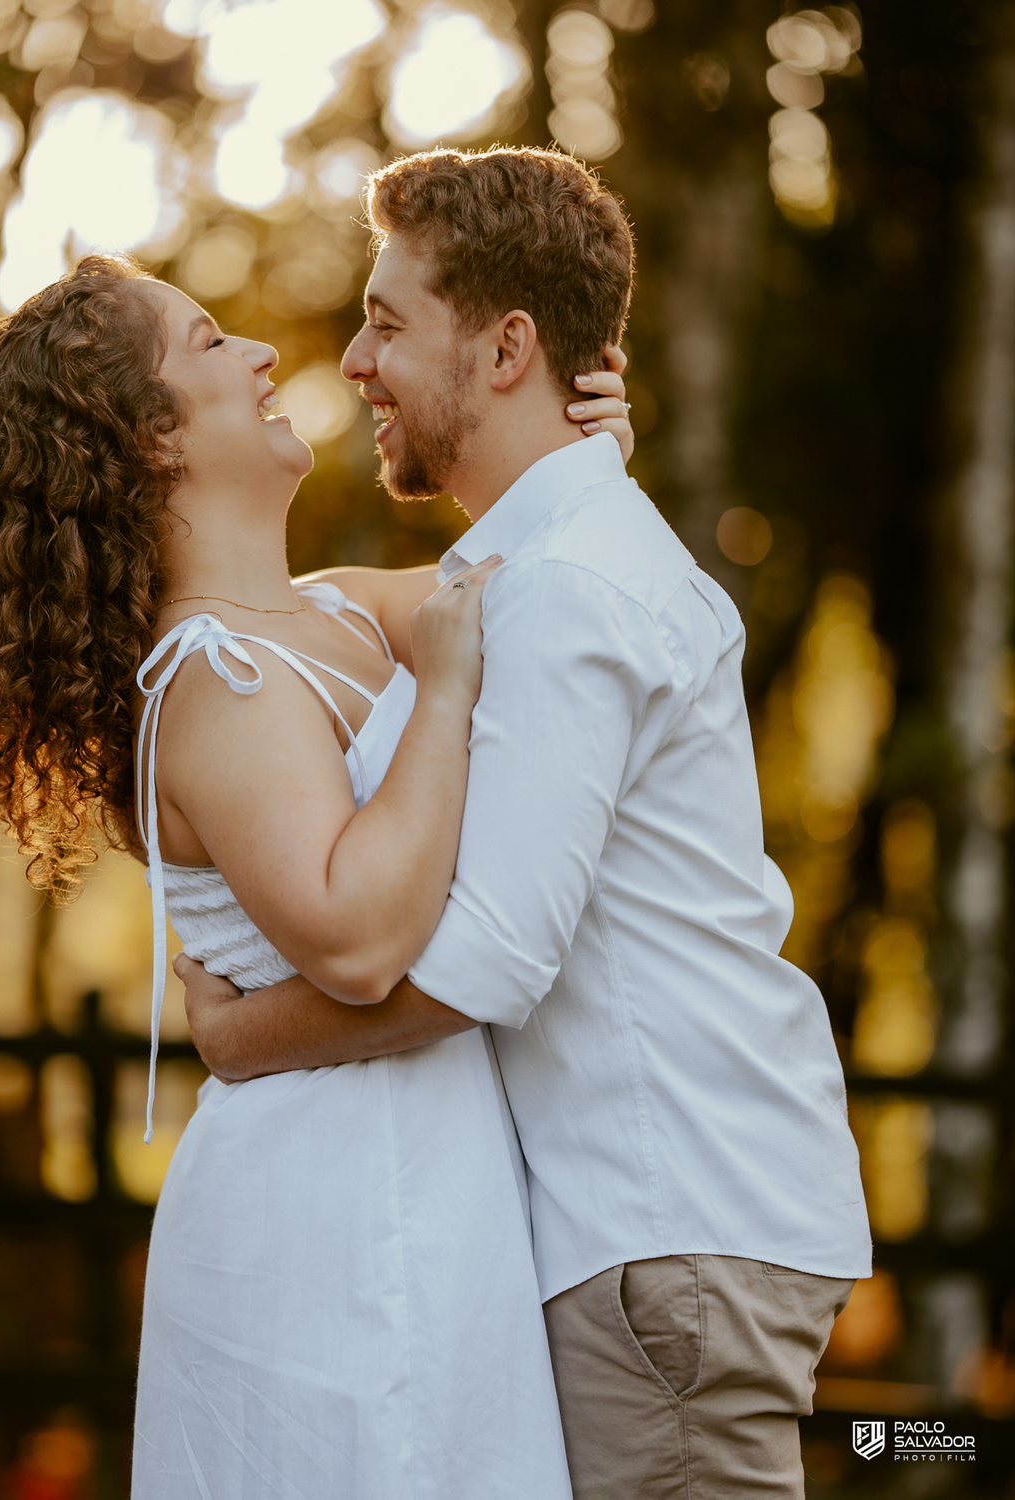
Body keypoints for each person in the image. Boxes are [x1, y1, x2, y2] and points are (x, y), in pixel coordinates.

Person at [179, 146, 874, 1499]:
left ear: (505, 349)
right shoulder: (554, 559)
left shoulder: (568, 592)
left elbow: (490, 959)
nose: (358, 363)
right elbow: (386, 604)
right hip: (674, 1230)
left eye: (388, 322)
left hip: (658, 1234)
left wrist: (240, 1035)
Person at [0, 246, 633, 1497]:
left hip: (440, 1191)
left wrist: (585, 467)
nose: (256, 354)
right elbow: (355, 937)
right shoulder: (210, 682)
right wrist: (451, 691)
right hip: (335, 1217)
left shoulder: (337, 610)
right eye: (205, 345)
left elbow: (551, 598)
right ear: (148, 444)